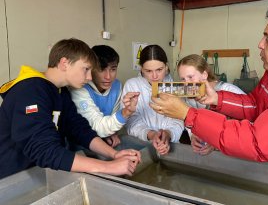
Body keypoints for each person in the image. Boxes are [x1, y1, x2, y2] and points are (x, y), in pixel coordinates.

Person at [150, 1, 268, 169]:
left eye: (267, 39)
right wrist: (217, 98)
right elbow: (256, 104)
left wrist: (188, 114)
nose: (260, 44)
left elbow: (256, 142)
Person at [0, 38, 141, 179]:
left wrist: (113, 154)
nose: (90, 77)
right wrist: (108, 167)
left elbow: (79, 129)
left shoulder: (60, 91)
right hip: (13, 177)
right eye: (86, 69)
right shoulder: (31, 90)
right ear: (64, 63)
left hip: (40, 173)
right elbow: (43, 150)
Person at [70, 45, 139, 148]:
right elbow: (96, 127)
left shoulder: (116, 85)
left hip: (106, 139)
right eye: (101, 69)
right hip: (80, 144)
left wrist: (111, 133)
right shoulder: (80, 88)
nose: (108, 76)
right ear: (90, 68)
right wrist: (125, 112)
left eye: (113, 69)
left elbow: (112, 119)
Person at [122, 44, 184, 155]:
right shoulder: (132, 86)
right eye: (148, 71)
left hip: (170, 145)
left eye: (159, 69)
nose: (154, 76)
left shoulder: (174, 87)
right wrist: (151, 134)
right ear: (141, 69)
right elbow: (131, 122)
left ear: (166, 66)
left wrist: (168, 134)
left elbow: (179, 119)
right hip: (140, 148)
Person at [177, 54, 245, 155]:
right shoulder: (188, 96)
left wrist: (217, 141)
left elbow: (248, 127)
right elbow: (188, 117)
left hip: (235, 153)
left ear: (204, 75)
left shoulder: (230, 91)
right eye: (183, 79)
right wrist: (193, 135)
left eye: (190, 77)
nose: (187, 84)